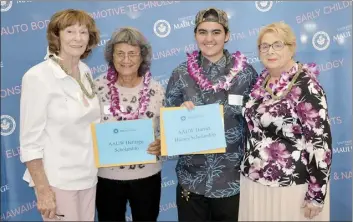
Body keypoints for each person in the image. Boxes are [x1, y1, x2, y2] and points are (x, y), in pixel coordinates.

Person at [164, 7, 258, 221]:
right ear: (195, 35)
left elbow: (257, 124)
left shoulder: (246, 73)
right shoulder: (180, 73)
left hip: (231, 181)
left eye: (216, 32)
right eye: (202, 32)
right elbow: (166, 125)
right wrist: (177, 117)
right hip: (191, 180)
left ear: (227, 36)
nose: (209, 38)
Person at [239, 21, 332, 221]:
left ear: (291, 48)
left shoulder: (306, 86)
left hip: (291, 185)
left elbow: (320, 142)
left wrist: (316, 194)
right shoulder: (261, 81)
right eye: (265, 46)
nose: (270, 51)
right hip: (254, 181)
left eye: (278, 45)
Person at [19, 9, 100, 221]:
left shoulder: (85, 71)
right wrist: (44, 191)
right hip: (59, 181)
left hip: (89, 177)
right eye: (70, 31)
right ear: (57, 36)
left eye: (83, 32)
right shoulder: (38, 77)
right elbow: (29, 142)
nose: (78, 38)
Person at [94, 27, 164, 221]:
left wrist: (162, 144)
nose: (126, 60)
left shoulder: (156, 89)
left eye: (132, 53)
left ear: (142, 57)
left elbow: (167, 130)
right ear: (111, 56)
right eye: (120, 53)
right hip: (107, 178)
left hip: (147, 177)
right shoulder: (96, 87)